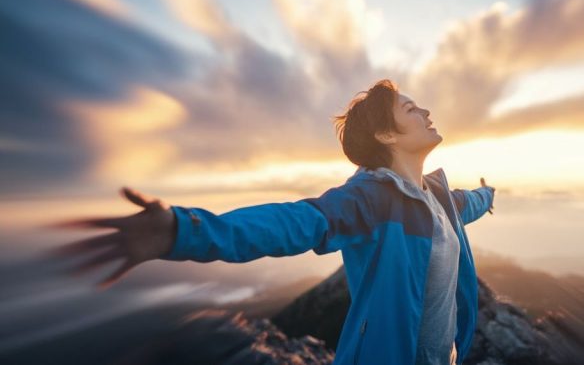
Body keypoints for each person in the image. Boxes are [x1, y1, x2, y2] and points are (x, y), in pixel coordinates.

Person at [54, 79, 496, 365]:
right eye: (411, 109)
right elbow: (295, 221)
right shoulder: (372, 200)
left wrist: (487, 195)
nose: (426, 113)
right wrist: (182, 230)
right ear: (386, 135)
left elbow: (466, 206)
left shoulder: (437, 198)